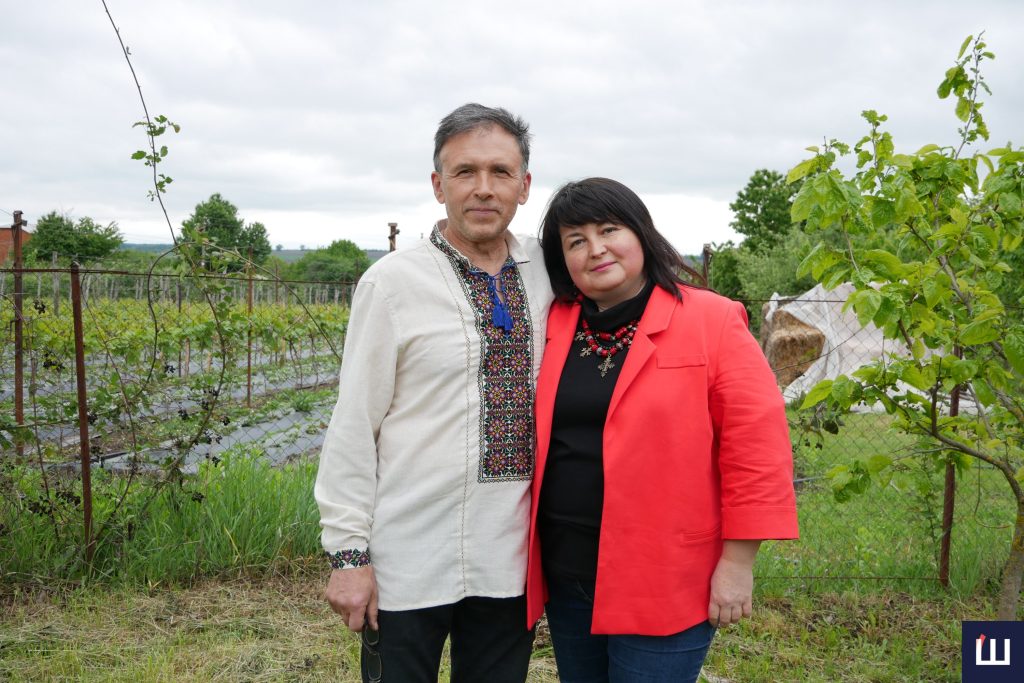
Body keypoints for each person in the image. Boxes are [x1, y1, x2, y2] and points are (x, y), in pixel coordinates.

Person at [525, 177, 799, 683]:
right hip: (569, 571)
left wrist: (738, 563)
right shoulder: (554, 323)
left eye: (609, 229)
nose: (596, 248)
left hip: (668, 576)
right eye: (576, 240)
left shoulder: (711, 319)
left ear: (642, 233)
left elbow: (756, 451)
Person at [315, 103, 552, 683]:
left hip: (508, 558)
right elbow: (354, 423)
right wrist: (349, 554)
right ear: (438, 184)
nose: (483, 188)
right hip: (408, 557)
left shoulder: (549, 273)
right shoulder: (393, 283)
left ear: (524, 186)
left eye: (500, 172)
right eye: (465, 171)